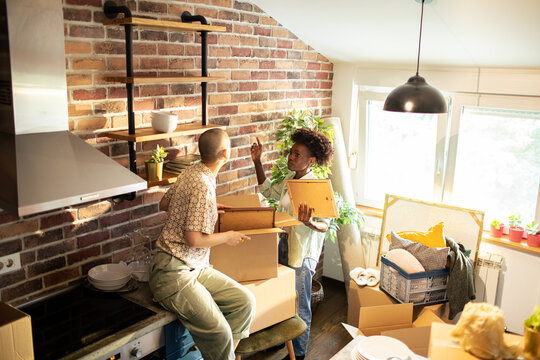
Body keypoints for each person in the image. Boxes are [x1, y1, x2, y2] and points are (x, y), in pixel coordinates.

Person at [149, 128, 255, 360]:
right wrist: (227, 236)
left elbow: (165, 203)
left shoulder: (193, 170)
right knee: (220, 333)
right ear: (225, 153)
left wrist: (205, 209)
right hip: (173, 273)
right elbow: (194, 239)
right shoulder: (203, 184)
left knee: (244, 302)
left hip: (194, 267)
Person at [250, 128, 334, 360]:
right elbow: (268, 190)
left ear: (311, 160)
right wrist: (257, 162)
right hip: (283, 244)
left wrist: (309, 223)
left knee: (299, 303)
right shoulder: (290, 180)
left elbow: (325, 225)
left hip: (302, 252)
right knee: (281, 297)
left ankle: (298, 352)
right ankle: (282, 341)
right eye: (291, 152)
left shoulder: (317, 186)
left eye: (297, 155)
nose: (290, 157)